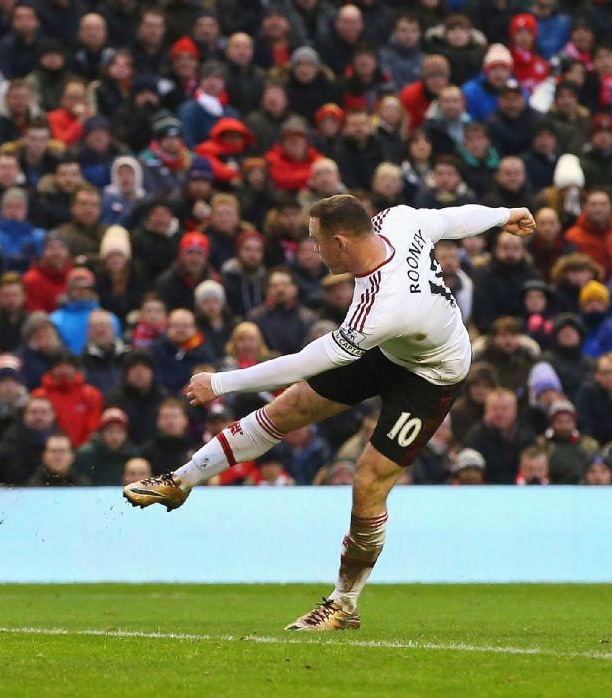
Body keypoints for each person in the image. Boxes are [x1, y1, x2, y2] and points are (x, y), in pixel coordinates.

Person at [124, 194, 537, 631]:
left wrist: (220, 382)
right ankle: (179, 481)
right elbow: (450, 218)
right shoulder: (397, 221)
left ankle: (343, 604)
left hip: (432, 374)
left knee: (368, 480)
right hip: (395, 348)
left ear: (340, 242)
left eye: (316, 241)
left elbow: (303, 362)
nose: (313, 250)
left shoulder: (383, 308)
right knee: (291, 407)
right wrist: (504, 215)